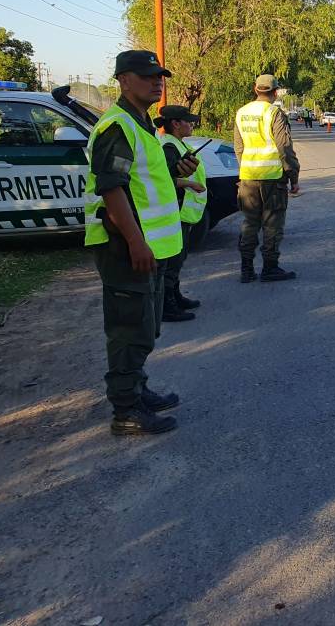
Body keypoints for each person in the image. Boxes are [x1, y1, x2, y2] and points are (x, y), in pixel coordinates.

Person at [85, 50, 192, 436]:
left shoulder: (142, 124)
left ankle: (138, 390)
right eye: (147, 76)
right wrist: (135, 241)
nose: (156, 82)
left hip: (148, 246)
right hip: (124, 247)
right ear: (123, 80)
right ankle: (126, 411)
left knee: (145, 328)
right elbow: (111, 189)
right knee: (129, 330)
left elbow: (144, 181)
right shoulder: (116, 126)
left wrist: (178, 171)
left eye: (159, 75)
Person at [235, 74, 301, 283]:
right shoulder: (274, 112)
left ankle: (246, 270)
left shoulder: (241, 113)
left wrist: (245, 169)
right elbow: (284, 147)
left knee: (249, 224)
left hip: (248, 178)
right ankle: (270, 268)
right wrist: (293, 175)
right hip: (272, 178)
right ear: (274, 92)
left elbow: (239, 147)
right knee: (272, 225)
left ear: (256, 89)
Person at [155, 105, 209, 322]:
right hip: (175, 210)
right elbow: (164, 179)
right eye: (187, 121)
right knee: (173, 260)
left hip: (182, 211)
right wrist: (189, 183)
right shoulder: (169, 146)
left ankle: (175, 296)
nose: (191, 124)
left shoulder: (177, 144)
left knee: (179, 257)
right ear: (175, 124)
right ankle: (167, 305)